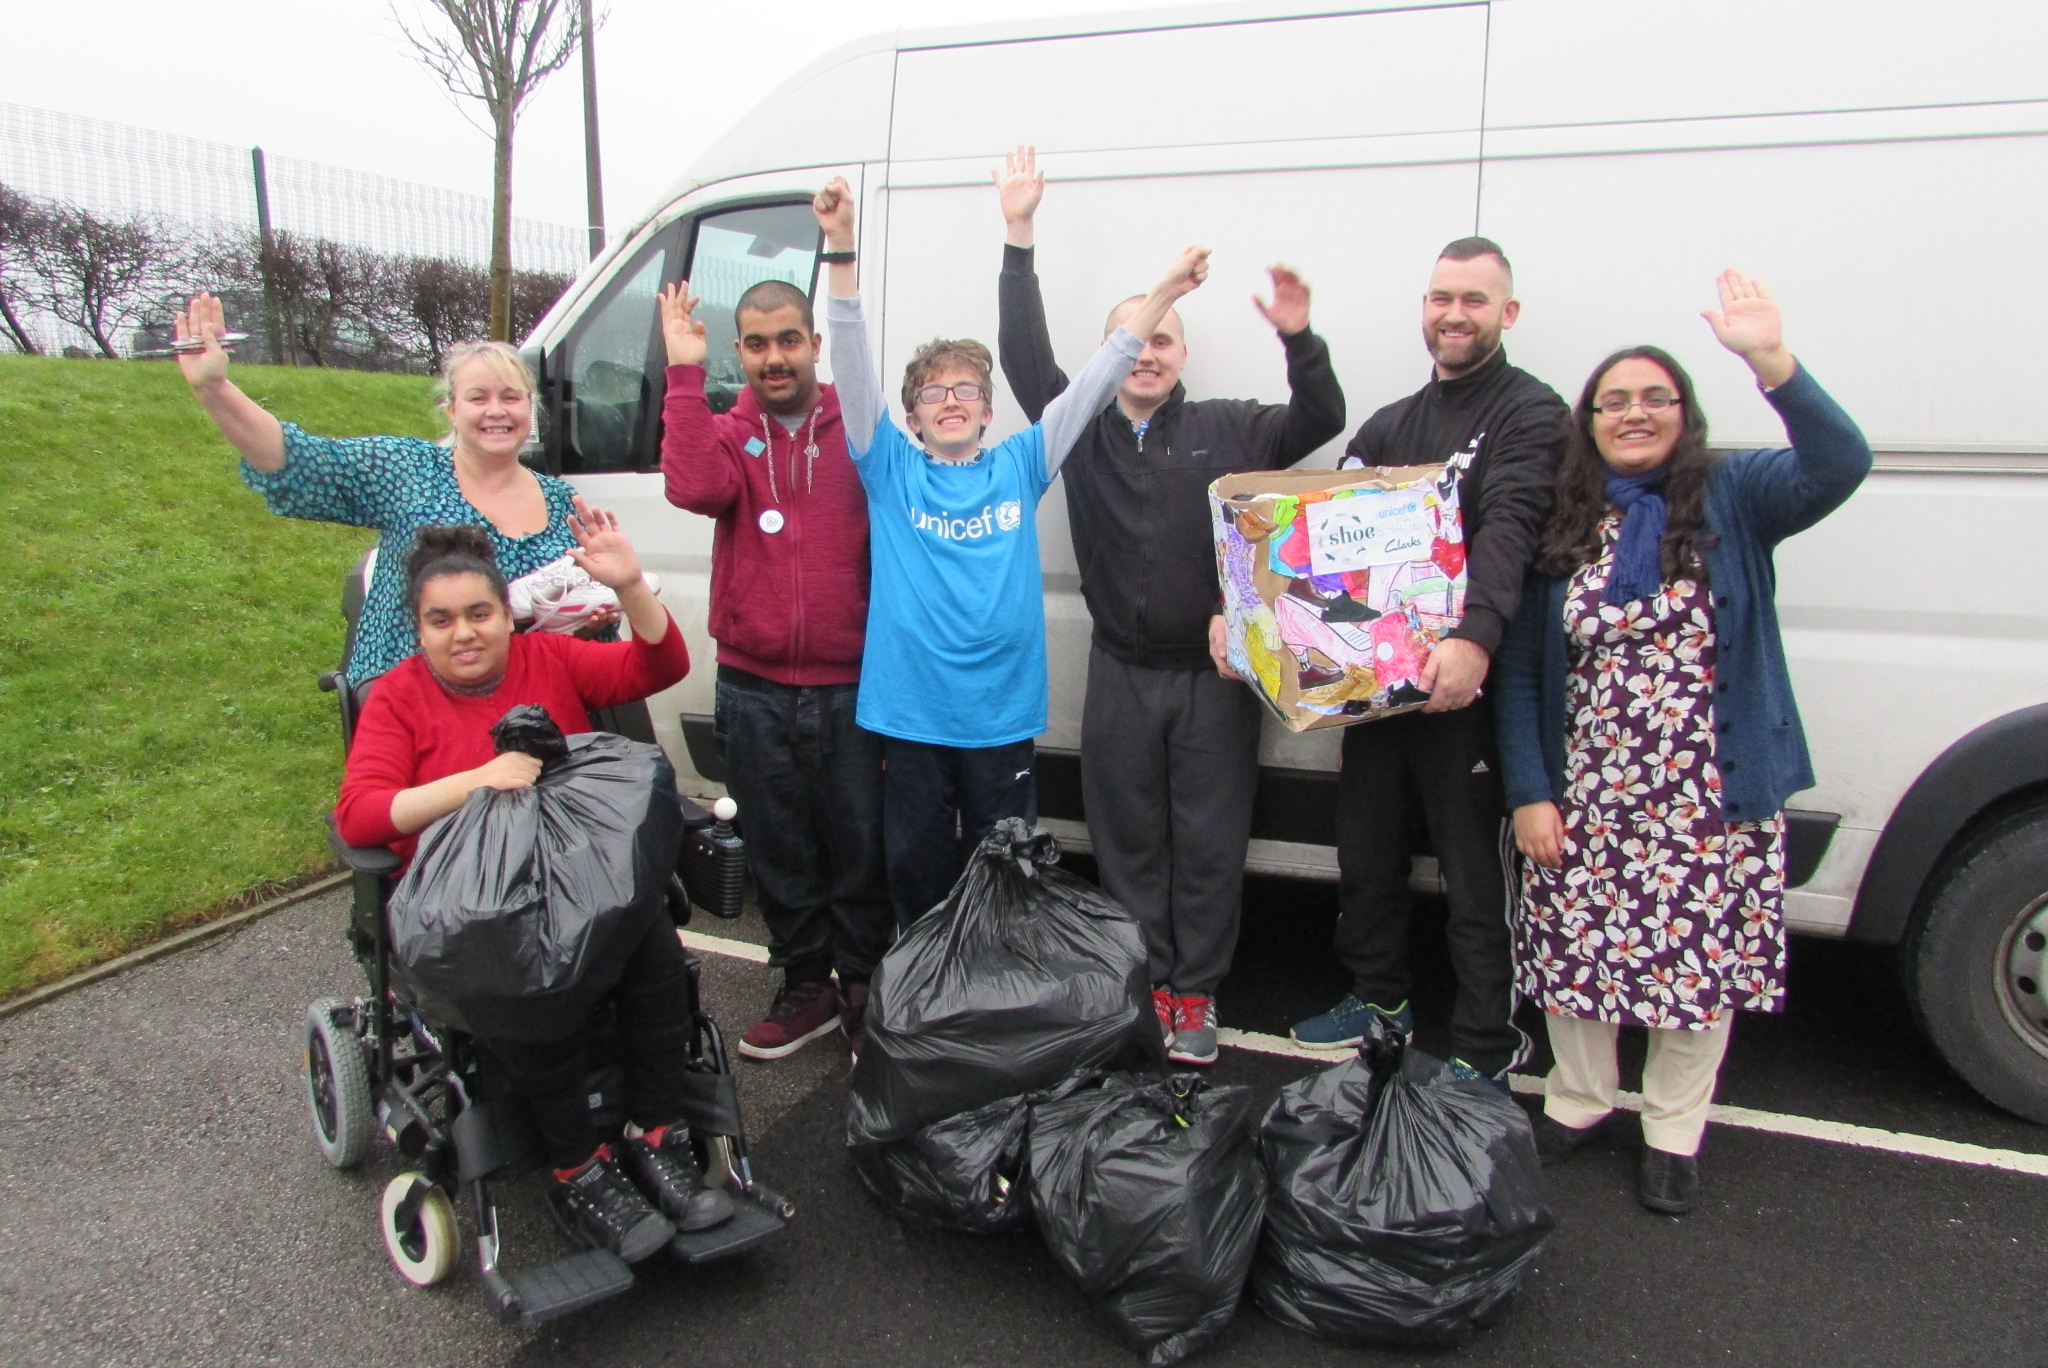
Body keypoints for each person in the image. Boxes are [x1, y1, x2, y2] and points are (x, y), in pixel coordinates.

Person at [1495, 271, 1871, 1214]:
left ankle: (1672, 1129)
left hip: (1712, 793)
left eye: (1654, 398)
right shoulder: (1569, 520)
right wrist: (1530, 788)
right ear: (1589, 420)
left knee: (1696, 969)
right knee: (1574, 953)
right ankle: (1578, 1102)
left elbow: (1841, 462)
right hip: (1591, 792)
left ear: (1683, 413)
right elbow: (1527, 673)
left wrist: (1768, 360)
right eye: (1613, 401)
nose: (1633, 413)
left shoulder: (1737, 496)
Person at [991, 146, 1346, 1066]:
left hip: (1213, 679)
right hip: (1120, 672)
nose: (1147, 353)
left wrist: (1301, 341)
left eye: (1163, 339)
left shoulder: (1230, 425)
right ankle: (1146, 983)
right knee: (1128, 842)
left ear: (1183, 352)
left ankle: (1197, 994)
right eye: (1134, 337)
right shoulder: (1078, 427)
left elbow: (1319, 420)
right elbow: (1024, 354)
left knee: (1209, 843)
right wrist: (1019, 235)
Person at [334, 510, 737, 1262]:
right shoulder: (396, 698)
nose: (464, 634)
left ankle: (656, 1135)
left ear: (505, 614)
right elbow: (359, 817)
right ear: (417, 627)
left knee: (651, 953)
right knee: (529, 977)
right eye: (441, 619)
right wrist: (477, 782)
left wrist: (627, 586)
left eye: (480, 613)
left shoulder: (545, 657)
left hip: (575, 876)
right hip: (469, 904)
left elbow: (657, 668)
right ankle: (577, 1167)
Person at [811, 173, 1210, 933]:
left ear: (989, 411)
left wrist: (1161, 296)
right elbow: (852, 363)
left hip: (1000, 722)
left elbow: (1096, 382)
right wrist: (840, 246)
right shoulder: (889, 469)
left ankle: (997, 1014)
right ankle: (923, 1017)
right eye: (933, 393)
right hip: (914, 719)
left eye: (966, 389)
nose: (951, 400)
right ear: (911, 416)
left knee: (1007, 885)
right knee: (920, 881)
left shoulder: (1021, 463)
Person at [1289, 238, 1569, 1091]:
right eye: (1441, 297)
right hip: (1379, 695)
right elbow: (1324, 542)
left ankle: (1490, 1043)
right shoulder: (1390, 425)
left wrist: (1474, 639)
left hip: (1467, 692)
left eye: (1475, 300)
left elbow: (1513, 527)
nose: (1454, 314)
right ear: (1423, 307)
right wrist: (1282, 632)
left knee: (1474, 874)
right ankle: (1381, 999)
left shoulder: (1532, 412)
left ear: (1507, 314)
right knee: (1365, 852)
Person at [658, 277, 891, 1064]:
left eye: (789, 339)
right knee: (779, 847)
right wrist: (684, 376)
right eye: (755, 344)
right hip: (753, 686)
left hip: (853, 683)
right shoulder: (729, 432)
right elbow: (692, 486)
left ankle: (860, 985)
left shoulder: (858, 428)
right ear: (740, 354)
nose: (774, 358)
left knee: (859, 843)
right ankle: (805, 984)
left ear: (815, 345)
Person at [173, 292, 606, 683]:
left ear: (530, 409)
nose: (496, 410)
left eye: (511, 397)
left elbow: (583, 633)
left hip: (519, 709)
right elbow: (294, 459)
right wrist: (215, 389)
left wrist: (588, 621)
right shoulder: (404, 467)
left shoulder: (562, 502)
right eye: (478, 398)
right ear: (451, 410)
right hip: (404, 705)